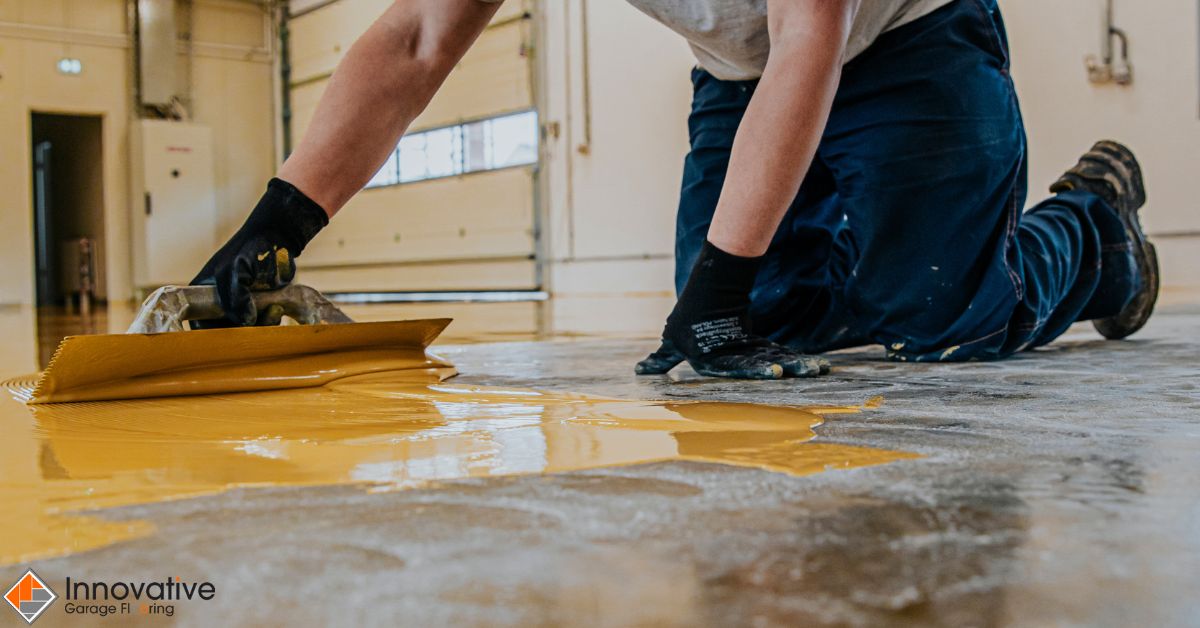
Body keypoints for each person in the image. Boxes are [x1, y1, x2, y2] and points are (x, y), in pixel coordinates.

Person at [192, 0, 1159, 380]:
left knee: (943, 315)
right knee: (763, 318)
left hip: (909, 39)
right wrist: (279, 223)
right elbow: (418, 39)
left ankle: (1098, 230)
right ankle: (874, 260)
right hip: (742, 71)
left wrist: (720, 286)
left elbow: (811, 37)